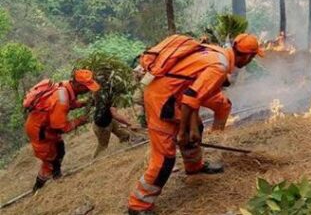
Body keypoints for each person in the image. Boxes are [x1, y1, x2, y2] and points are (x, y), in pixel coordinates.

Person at [127, 34, 264, 215]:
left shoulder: (218, 52)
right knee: (165, 159)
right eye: (252, 58)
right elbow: (191, 98)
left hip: (174, 94)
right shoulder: (219, 66)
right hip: (162, 100)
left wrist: (192, 127)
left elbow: (192, 93)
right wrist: (183, 132)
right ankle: (138, 205)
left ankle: (194, 167)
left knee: (197, 128)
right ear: (247, 56)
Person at [24, 69, 100, 191]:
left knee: (60, 149)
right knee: (49, 160)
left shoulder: (65, 86)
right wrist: (80, 121)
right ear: (77, 84)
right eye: (86, 87)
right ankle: (38, 189)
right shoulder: (61, 99)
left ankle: (57, 176)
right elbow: (61, 127)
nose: (88, 90)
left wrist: (85, 103)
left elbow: (71, 103)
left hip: (46, 127)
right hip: (40, 131)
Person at [92, 84, 142, 158]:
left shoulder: (105, 94)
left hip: (110, 120)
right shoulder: (111, 97)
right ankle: (95, 161)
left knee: (125, 136)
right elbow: (115, 114)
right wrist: (129, 123)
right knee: (103, 147)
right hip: (102, 126)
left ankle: (126, 151)